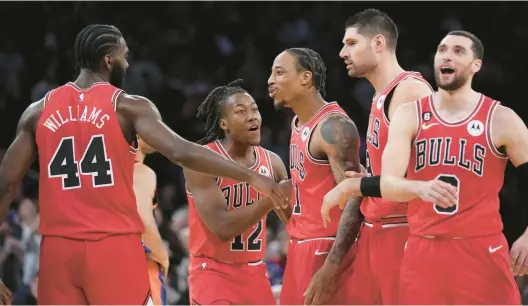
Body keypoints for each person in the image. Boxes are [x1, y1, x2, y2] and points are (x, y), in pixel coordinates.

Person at [0, 24, 287, 305]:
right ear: (108, 60)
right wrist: (250, 177)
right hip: (112, 246)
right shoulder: (127, 106)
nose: (127, 63)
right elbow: (181, 151)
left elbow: (5, 185)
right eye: (124, 56)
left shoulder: (37, 111)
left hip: (58, 251)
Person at [327, 31, 523, 304]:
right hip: (423, 248)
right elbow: (390, 184)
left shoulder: (501, 118)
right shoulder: (410, 115)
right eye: (442, 49)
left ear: (476, 65)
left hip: (481, 247)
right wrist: (418, 186)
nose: (447, 55)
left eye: (458, 51)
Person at [306, 9, 433, 304]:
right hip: (377, 231)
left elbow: (426, 176)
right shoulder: (380, 96)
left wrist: (360, 185)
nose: (341, 53)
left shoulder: (410, 91)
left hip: (403, 230)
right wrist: (367, 179)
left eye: (351, 43)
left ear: (378, 43)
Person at [268, 47, 362, 305]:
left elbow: (355, 196)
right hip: (300, 247)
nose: (270, 80)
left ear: (305, 78)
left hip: (327, 249)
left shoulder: (333, 126)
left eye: (279, 73)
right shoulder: (299, 122)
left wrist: (331, 266)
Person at [184, 79, 292, 305]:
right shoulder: (203, 161)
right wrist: (273, 195)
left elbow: (291, 221)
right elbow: (222, 228)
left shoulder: (273, 162)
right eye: (241, 112)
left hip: (255, 271)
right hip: (212, 272)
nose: (252, 116)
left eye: (254, 110)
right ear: (224, 124)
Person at [134, 135, 168, 305]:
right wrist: (161, 255)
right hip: (137, 265)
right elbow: (144, 221)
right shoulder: (139, 171)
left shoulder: (107, 172)